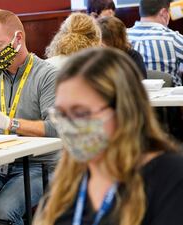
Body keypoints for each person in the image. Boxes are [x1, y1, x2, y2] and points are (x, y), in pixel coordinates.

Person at [32, 47, 183, 225]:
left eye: (80, 113)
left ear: (123, 111)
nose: (68, 125)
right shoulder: (68, 179)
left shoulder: (170, 177)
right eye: (61, 114)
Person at [0, 10, 58, 225]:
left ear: (18, 39)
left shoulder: (47, 75)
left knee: (3, 212)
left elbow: (56, 128)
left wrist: (9, 123)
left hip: (39, 165)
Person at [127, 0, 183, 86]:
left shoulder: (123, 36)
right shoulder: (173, 38)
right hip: (169, 98)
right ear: (164, 12)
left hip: (131, 97)